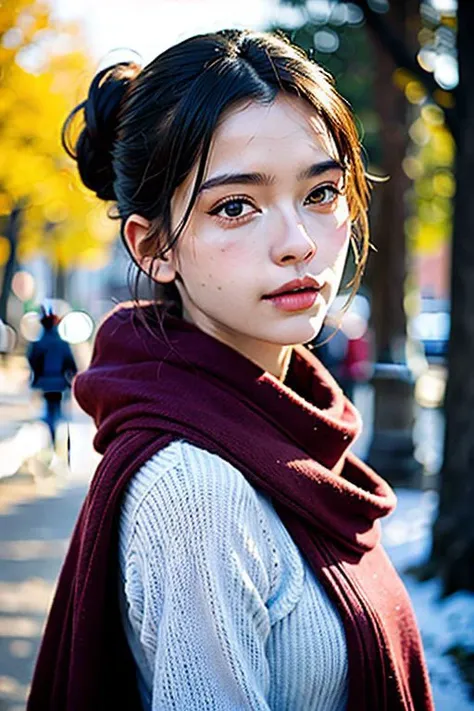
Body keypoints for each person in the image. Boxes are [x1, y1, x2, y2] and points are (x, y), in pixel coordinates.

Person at [27, 30, 434, 711]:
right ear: (153, 247)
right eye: (235, 206)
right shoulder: (199, 492)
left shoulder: (293, 439)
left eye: (322, 192)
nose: (299, 243)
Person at [26, 305, 77, 447]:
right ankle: (55, 438)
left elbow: (33, 361)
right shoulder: (63, 343)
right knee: (57, 411)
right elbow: (71, 364)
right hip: (60, 384)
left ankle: (52, 437)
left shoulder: (38, 343)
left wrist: (35, 378)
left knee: (49, 410)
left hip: (45, 383)